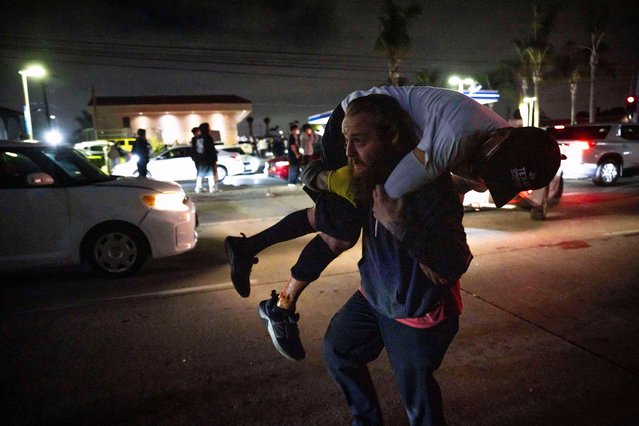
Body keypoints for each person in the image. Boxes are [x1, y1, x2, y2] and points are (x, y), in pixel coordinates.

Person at [224, 87, 560, 362]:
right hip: (354, 116)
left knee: (335, 222)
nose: (487, 182)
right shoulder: (454, 138)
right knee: (345, 224)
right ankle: (282, 300)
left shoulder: (493, 133)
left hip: (380, 117)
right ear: (496, 143)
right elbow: (387, 196)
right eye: (491, 172)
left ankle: (249, 251)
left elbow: (468, 181)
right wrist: (415, 226)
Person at [192, 122, 219, 193]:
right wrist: (214, 158)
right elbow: (211, 149)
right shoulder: (208, 137)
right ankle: (211, 187)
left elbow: (197, 149)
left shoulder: (197, 138)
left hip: (200, 158)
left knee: (201, 173)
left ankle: (199, 187)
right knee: (210, 173)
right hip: (208, 158)